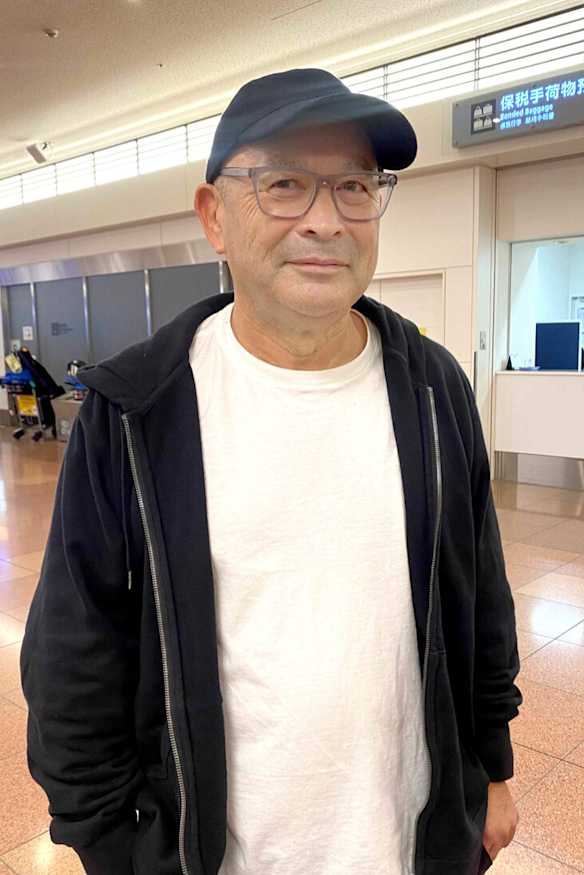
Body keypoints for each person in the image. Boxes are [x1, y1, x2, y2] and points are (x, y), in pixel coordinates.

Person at [21, 68, 522, 875]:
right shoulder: (137, 412)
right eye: (285, 184)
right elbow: (75, 655)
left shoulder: (433, 390)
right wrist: (112, 844)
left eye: (355, 186)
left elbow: (481, 602)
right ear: (214, 216)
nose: (325, 220)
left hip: (410, 843)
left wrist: (492, 769)